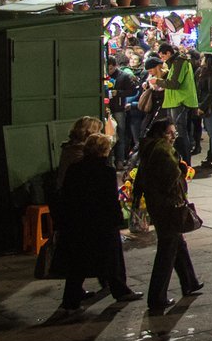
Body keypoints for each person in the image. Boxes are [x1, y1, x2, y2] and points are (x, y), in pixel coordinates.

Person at [49, 132, 139, 312]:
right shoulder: (105, 171)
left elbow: (66, 195)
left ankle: (70, 300)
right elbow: (110, 200)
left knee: (78, 263)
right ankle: (120, 291)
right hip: (102, 223)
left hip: (78, 222)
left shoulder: (75, 168)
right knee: (113, 260)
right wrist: (117, 220)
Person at [138, 119, 201, 313]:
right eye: (170, 133)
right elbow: (169, 182)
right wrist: (181, 172)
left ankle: (190, 282)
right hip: (167, 206)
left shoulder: (150, 148)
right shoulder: (162, 152)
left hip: (158, 205)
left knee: (177, 244)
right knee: (167, 251)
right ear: (160, 134)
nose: (174, 136)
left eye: (174, 132)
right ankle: (157, 297)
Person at [156, 43, 199, 159]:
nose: (162, 59)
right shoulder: (176, 63)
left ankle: (185, 161)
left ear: (168, 53)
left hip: (181, 101)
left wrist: (157, 81)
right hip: (176, 101)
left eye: (163, 56)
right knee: (178, 132)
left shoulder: (180, 62)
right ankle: (181, 159)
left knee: (180, 133)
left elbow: (174, 84)